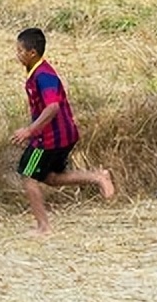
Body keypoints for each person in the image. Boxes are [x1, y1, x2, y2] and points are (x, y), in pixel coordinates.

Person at [11, 27, 114, 233]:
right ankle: (98, 177)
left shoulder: (43, 76)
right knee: (51, 178)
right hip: (64, 136)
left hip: (47, 140)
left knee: (28, 177)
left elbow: (53, 106)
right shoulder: (38, 73)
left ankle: (43, 227)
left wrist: (29, 131)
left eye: (20, 51)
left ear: (32, 53)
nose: (17, 55)